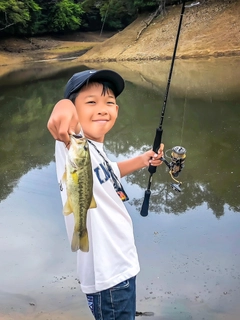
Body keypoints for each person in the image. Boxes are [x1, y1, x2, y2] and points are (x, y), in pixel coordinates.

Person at [47, 69, 164, 320]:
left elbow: (108, 173)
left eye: (109, 103)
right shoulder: (71, 143)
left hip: (122, 265)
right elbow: (64, 115)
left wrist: (142, 160)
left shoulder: (97, 148)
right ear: (76, 112)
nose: (102, 109)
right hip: (108, 276)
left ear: (117, 111)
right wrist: (63, 105)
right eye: (91, 102)